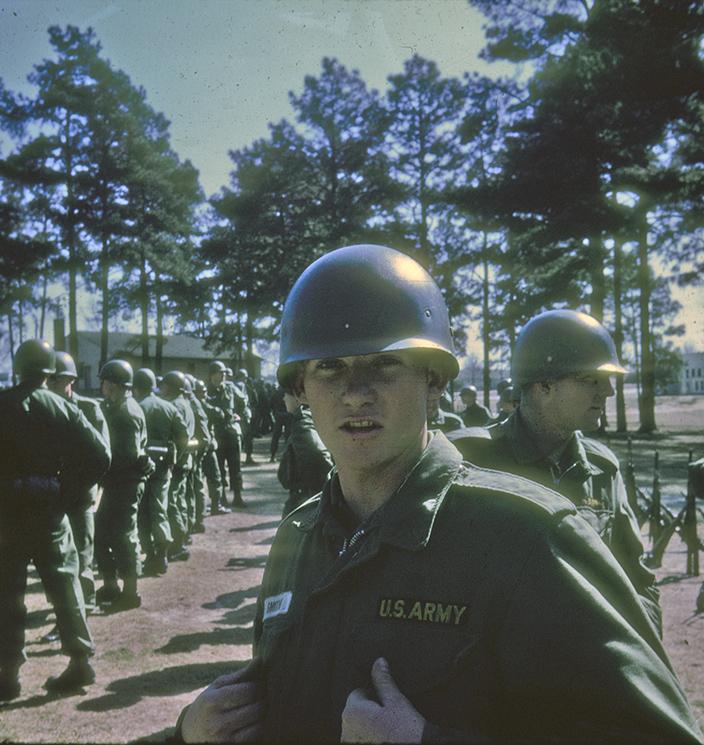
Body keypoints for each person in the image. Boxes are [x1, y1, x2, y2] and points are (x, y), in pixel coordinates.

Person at [177, 244, 701, 744]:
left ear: (433, 383)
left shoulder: (527, 537)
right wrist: (190, 733)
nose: (356, 392)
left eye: (385, 363)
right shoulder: (298, 536)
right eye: (329, 367)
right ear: (300, 391)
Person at [450, 309, 663, 636]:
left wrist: (641, 653)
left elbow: (639, 583)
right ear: (544, 385)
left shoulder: (601, 470)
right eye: (591, 380)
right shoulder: (468, 460)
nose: (608, 391)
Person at [0, 340, 110, 699]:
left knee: (7, 593)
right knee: (65, 586)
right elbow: (100, 456)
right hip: (50, 511)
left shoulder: (3, 404)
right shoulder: (63, 407)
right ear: (49, 371)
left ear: (18, 368)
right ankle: (80, 661)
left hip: (8, 515)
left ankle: (8, 673)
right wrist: (67, 491)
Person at [46, 350, 110, 617]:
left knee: (82, 552)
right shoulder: (44, 406)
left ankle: (84, 605)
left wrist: (87, 486)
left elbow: (103, 454)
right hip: (53, 491)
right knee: (56, 555)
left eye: (56, 379)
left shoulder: (88, 408)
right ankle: (62, 607)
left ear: (70, 380)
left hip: (81, 491)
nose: (50, 384)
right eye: (49, 379)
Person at [95, 359, 152, 613]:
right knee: (101, 532)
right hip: (118, 483)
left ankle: (130, 592)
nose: (102, 387)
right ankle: (110, 585)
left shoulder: (127, 413)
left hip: (125, 483)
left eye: (104, 383)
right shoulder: (120, 406)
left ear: (115, 385)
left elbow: (127, 456)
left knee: (124, 537)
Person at [133, 367, 189, 576]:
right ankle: (162, 555)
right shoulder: (168, 407)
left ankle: (149, 554)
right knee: (159, 509)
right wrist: (175, 458)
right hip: (163, 466)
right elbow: (183, 437)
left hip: (139, 468)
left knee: (142, 512)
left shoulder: (135, 407)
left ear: (136, 387)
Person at [277, 392, 334, 518]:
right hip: (311, 497)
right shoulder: (313, 414)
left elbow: (318, 454)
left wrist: (322, 488)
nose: (284, 398)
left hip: (305, 499)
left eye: (286, 394)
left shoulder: (303, 419)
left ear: (297, 398)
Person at [160, 370, 197, 561]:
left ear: (171, 387)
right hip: (185, 460)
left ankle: (178, 544)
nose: (162, 389)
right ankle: (183, 537)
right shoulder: (186, 404)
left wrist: (173, 460)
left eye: (164, 385)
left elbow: (179, 437)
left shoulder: (175, 405)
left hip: (178, 460)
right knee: (180, 500)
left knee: (172, 502)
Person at [208, 360, 247, 507]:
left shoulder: (230, 387)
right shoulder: (206, 390)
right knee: (218, 468)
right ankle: (221, 497)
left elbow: (243, 401)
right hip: (217, 434)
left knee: (235, 467)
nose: (223, 375)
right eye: (220, 373)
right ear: (212, 374)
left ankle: (237, 496)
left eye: (224, 373)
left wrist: (239, 414)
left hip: (232, 433)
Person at [193, 378, 230, 516]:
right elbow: (219, 414)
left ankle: (211, 505)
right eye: (202, 392)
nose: (205, 394)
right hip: (204, 447)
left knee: (210, 477)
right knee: (211, 477)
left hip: (202, 446)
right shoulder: (200, 405)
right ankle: (212, 506)